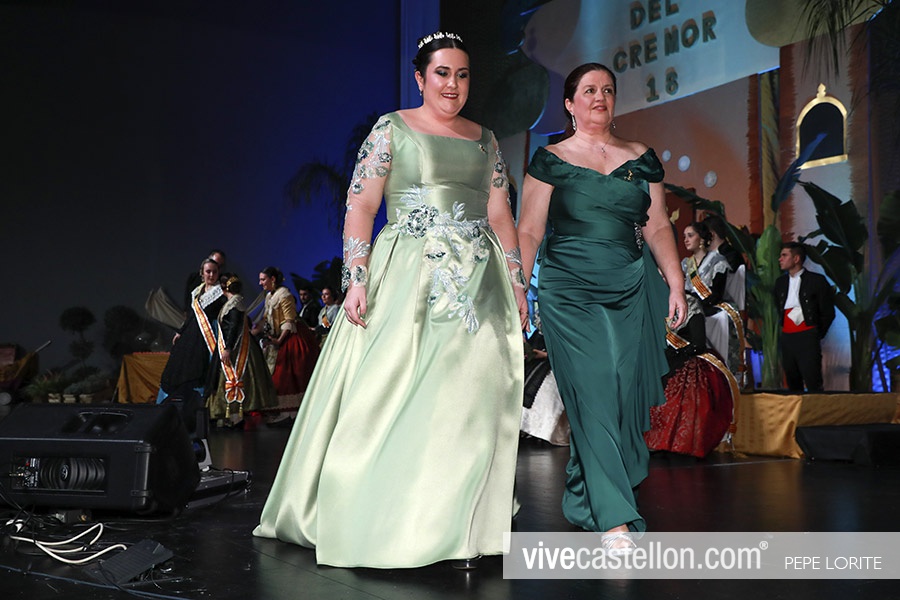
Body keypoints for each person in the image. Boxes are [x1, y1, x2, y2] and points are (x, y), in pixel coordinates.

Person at [253, 31, 527, 569]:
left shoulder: (486, 140)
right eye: (442, 73)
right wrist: (356, 278)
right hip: (410, 276)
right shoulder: (392, 128)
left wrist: (517, 283)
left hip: (479, 282)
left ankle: (461, 524)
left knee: (474, 395)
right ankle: (390, 514)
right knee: (397, 389)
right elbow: (360, 206)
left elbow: (500, 216)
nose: (453, 84)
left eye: (463, 74)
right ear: (421, 78)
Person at [518, 62, 687, 554]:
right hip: (568, 288)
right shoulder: (550, 160)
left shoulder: (641, 157)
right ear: (569, 104)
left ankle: (584, 495)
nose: (599, 97)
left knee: (618, 391)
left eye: (607, 90)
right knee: (592, 388)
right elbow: (529, 230)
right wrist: (519, 288)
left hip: (631, 285)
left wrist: (675, 281)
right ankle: (615, 521)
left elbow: (658, 226)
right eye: (589, 90)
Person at [644, 301, 738, 458]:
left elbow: (698, 343)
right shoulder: (652, 300)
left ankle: (679, 442)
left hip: (687, 357)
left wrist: (676, 353)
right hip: (659, 357)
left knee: (684, 393)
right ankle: (651, 440)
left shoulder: (690, 303)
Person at [158, 257, 228, 433]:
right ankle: (172, 408)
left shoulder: (221, 293)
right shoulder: (197, 291)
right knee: (179, 365)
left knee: (202, 369)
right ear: (202, 273)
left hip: (209, 335)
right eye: (208, 271)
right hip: (192, 332)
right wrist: (180, 331)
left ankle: (206, 412)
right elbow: (191, 316)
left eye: (214, 272)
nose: (211, 275)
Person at [207, 274, 278, 428]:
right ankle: (231, 416)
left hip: (237, 349)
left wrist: (228, 348)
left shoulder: (234, 305)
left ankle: (235, 416)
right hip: (234, 346)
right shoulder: (233, 303)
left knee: (235, 378)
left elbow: (233, 328)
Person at [252, 267, 319, 425]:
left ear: (272, 279)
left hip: (290, 337)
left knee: (287, 374)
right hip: (277, 337)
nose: (260, 283)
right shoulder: (270, 296)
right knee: (276, 374)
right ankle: (283, 412)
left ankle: (290, 413)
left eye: (263, 279)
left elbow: (289, 320)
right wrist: (254, 331)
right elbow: (265, 318)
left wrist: (279, 341)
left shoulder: (284, 295)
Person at [682, 221, 745, 377]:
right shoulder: (685, 264)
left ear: (702, 239)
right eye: (684, 236)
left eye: (690, 235)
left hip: (709, 307)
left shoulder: (718, 261)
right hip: (690, 308)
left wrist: (695, 303)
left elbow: (717, 293)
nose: (686, 240)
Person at [774, 242, 835, 391]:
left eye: (784, 255)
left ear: (796, 259)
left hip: (808, 336)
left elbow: (828, 312)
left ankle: (816, 405)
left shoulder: (816, 281)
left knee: (812, 378)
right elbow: (779, 307)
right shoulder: (780, 283)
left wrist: (815, 333)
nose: (780, 259)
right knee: (792, 379)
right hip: (787, 337)